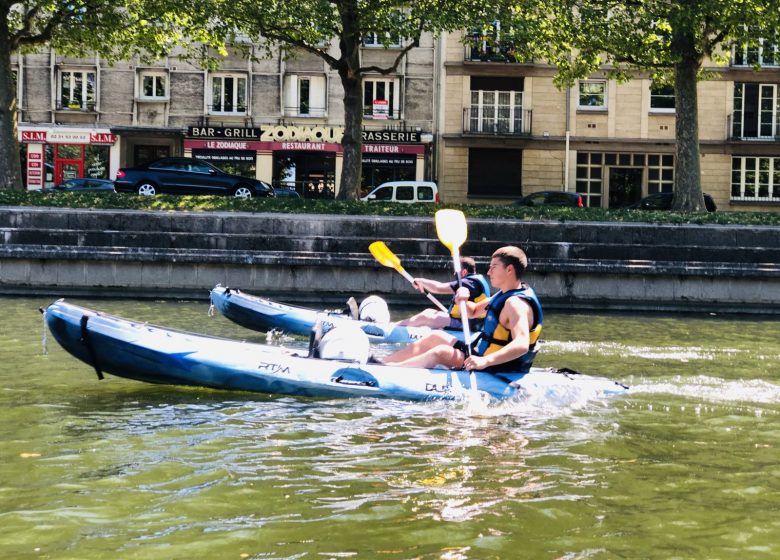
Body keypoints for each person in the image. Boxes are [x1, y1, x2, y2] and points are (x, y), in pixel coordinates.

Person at [383, 246, 543, 374]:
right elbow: (473, 312)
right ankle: (383, 363)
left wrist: (485, 361)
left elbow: (521, 345)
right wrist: (463, 300)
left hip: (499, 365)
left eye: (494, 267)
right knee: (435, 336)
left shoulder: (516, 304)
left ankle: (392, 372)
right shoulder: (503, 294)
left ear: (509, 270)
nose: (488, 272)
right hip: (482, 353)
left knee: (441, 352)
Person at [396, 257, 490, 330]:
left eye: (455, 272)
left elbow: (438, 288)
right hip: (471, 323)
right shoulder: (476, 280)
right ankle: (400, 325)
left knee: (425, 317)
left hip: (466, 325)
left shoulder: (468, 283)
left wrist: (420, 280)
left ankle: (394, 327)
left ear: (464, 271)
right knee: (429, 311)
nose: (454, 274)